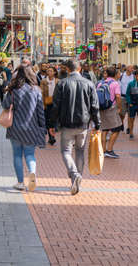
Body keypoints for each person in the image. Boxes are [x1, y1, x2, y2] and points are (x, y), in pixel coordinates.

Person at [50, 60, 100, 195]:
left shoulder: (62, 83)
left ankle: (74, 175)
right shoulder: (89, 84)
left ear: (67, 69)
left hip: (67, 123)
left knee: (66, 151)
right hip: (83, 124)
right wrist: (97, 123)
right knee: (79, 151)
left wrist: (52, 124)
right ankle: (77, 178)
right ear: (79, 69)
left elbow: (56, 106)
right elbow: (95, 106)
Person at [2, 62, 46, 191]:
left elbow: (5, 105)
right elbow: (40, 111)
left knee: (17, 155)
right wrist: (42, 126)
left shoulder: (13, 90)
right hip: (31, 128)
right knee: (30, 154)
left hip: (15, 127)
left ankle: (20, 182)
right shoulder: (36, 90)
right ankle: (32, 173)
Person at [96, 67, 123, 158]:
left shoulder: (100, 83)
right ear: (115, 74)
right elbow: (118, 96)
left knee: (104, 129)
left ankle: (103, 150)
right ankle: (109, 149)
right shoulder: (115, 83)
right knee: (117, 128)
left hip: (102, 107)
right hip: (111, 108)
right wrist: (119, 107)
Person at [41, 66, 59, 145]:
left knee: (54, 120)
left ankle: (53, 135)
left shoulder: (58, 81)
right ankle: (51, 137)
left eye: (51, 71)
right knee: (48, 120)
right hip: (47, 103)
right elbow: (41, 93)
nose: (49, 72)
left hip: (56, 103)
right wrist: (42, 104)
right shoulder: (44, 81)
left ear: (55, 72)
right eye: (48, 71)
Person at [119, 65, 134, 133]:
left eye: (133, 68)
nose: (132, 69)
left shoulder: (133, 76)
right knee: (122, 114)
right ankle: (121, 123)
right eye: (131, 68)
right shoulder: (121, 76)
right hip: (122, 97)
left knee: (130, 114)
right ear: (127, 69)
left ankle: (129, 127)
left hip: (131, 97)